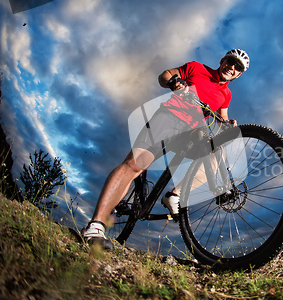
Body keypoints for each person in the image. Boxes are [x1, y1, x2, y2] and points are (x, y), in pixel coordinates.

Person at [82, 49, 250, 250]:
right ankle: (96, 226)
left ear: (239, 74)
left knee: (216, 155)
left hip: (192, 132)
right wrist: (174, 82)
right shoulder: (197, 68)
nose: (232, 67)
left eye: (237, 67)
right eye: (230, 62)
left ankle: (174, 195)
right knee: (135, 165)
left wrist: (228, 123)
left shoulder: (226, 94)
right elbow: (165, 75)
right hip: (170, 117)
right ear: (223, 60)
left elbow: (222, 118)